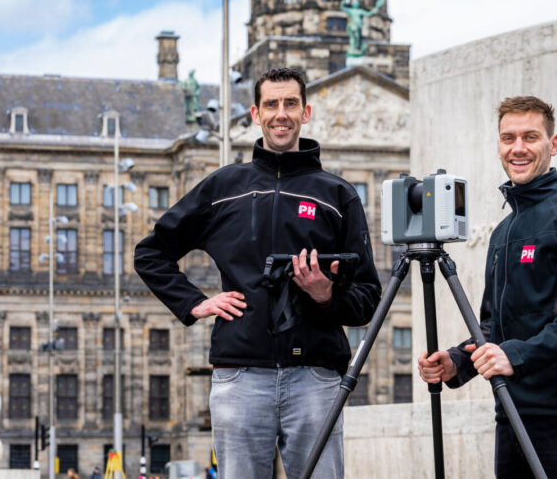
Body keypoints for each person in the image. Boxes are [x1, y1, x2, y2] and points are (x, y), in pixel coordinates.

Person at [135, 67, 381, 479]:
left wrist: (325, 294)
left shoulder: (338, 195)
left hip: (316, 377)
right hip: (241, 375)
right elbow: (151, 253)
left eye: (290, 104)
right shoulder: (225, 186)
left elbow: (368, 297)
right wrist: (195, 302)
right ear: (255, 113)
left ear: (306, 112)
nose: (280, 114)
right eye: (271, 104)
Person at [417, 96, 557, 478]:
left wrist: (517, 356)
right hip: (510, 412)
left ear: (552, 145)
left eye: (530, 137)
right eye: (508, 138)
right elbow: (494, 327)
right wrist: (457, 361)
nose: (518, 148)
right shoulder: (503, 233)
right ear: (498, 146)